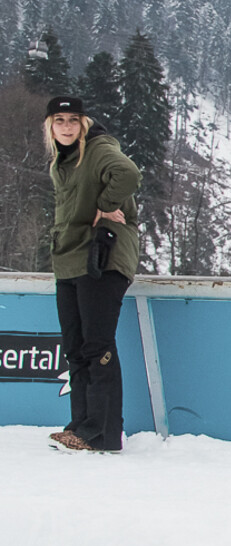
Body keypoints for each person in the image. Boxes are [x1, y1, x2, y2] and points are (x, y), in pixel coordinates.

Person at [43, 96, 142, 453]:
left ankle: (99, 432)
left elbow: (128, 173)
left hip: (102, 255)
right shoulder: (63, 161)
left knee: (96, 345)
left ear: (83, 123)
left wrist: (106, 205)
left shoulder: (98, 150)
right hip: (70, 259)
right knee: (75, 347)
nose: (66, 127)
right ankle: (80, 425)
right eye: (59, 120)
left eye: (73, 120)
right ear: (50, 126)